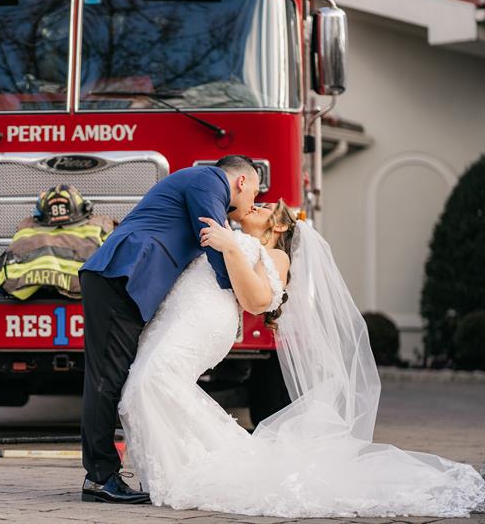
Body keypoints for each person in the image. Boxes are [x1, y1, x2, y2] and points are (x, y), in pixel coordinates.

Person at [117, 199, 485, 517]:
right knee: (148, 386)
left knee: (155, 382)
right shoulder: (237, 237)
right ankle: (178, 468)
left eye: (265, 208)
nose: (256, 206)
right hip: (184, 319)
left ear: (277, 226)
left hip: (208, 324)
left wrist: (231, 248)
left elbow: (258, 299)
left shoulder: (274, 255)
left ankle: (185, 472)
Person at [78, 155, 260, 503]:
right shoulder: (209, 180)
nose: (253, 201)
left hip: (124, 279)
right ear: (241, 182)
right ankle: (100, 477)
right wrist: (234, 289)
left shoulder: (202, 183)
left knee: (109, 378)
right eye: (255, 191)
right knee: (105, 380)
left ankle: (102, 474)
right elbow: (212, 238)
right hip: (120, 274)